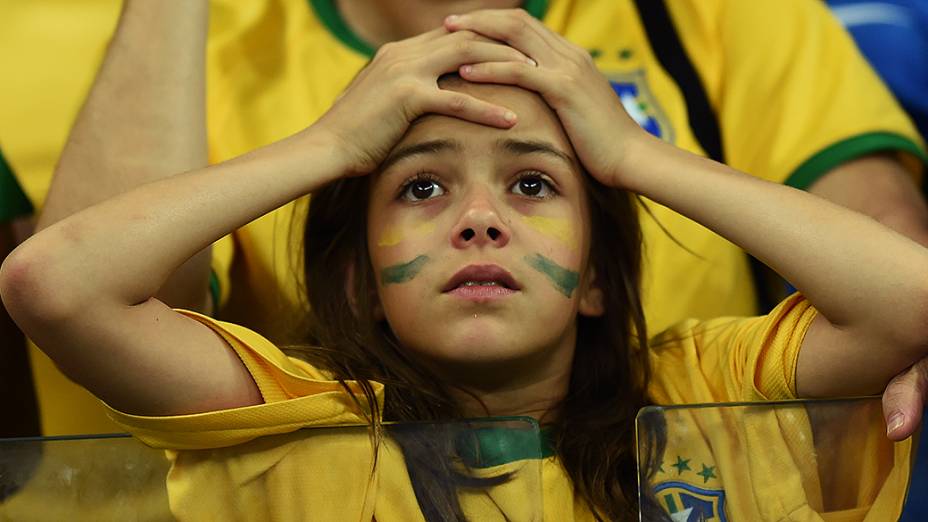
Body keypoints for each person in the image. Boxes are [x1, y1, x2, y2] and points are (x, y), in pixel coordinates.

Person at [3, 14, 926, 520]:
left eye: (531, 184)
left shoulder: (703, 386)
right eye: (420, 192)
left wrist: (634, 158)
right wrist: (330, 146)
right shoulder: (289, 423)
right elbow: (57, 283)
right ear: (359, 280)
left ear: (600, 273)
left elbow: (912, 299)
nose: (480, 219)